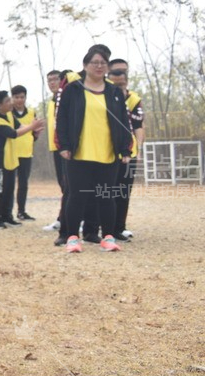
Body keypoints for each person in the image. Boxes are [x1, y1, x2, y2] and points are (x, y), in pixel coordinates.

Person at [54, 48, 133, 253]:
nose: (99, 66)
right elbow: (61, 119)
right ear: (85, 65)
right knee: (77, 196)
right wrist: (63, 145)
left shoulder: (114, 91)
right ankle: (72, 237)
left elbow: (124, 121)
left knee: (106, 195)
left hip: (107, 153)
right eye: (95, 62)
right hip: (79, 153)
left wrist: (125, 149)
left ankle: (107, 237)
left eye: (103, 63)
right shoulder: (73, 89)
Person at [0, 91, 42, 228]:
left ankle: (7, 216)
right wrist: (31, 127)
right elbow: (13, 134)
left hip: (10, 159)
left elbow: (19, 126)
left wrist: (34, 130)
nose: (11, 103)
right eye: (7, 101)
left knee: (9, 188)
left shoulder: (9, 115)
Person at [107, 58, 144, 240]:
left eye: (122, 81)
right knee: (107, 190)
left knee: (123, 191)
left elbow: (138, 124)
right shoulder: (101, 97)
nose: (119, 86)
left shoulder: (134, 99)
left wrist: (139, 146)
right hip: (106, 151)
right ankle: (102, 227)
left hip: (129, 153)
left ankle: (118, 227)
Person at [42, 69, 70, 232]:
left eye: (55, 79)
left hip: (65, 148)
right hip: (56, 148)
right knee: (63, 185)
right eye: (49, 80)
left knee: (69, 186)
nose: (52, 83)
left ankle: (72, 218)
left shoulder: (66, 99)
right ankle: (63, 217)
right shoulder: (52, 101)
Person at [9, 85, 40, 221]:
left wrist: (36, 134)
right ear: (12, 98)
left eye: (22, 97)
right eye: (16, 97)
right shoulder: (8, 114)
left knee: (23, 183)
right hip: (11, 152)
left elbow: (34, 132)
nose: (19, 100)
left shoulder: (32, 112)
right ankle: (7, 212)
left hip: (26, 152)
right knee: (9, 184)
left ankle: (21, 211)